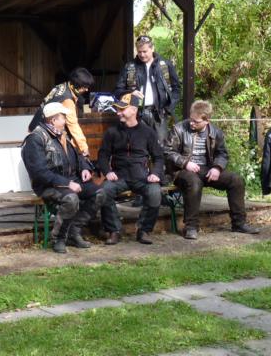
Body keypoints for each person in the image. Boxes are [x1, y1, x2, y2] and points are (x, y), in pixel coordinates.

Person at [22, 102, 121, 253]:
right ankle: (59, 238)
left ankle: (74, 231)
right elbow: (39, 172)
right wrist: (67, 183)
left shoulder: (62, 134)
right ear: (53, 120)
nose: (66, 120)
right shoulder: (35, 139)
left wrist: (85, 168)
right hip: (49, 185)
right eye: (63, 117)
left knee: (100, 193)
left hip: (71, 181)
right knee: (71, 198)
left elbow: (78, 156)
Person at [165, 100, 260, 240]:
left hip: (207, 170)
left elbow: (222, 154)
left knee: (236, 180)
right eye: (191, 119)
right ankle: (191, 227)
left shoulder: (216, 132)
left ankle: (239, 223)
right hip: (182, 171)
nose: (191, 123)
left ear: (207, 121)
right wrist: (185, 163)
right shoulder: (178, 129)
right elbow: (167, 152)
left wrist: (217, 167)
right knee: (194, 182)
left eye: (196, 121)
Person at [97, 93, 165, 244]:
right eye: (117, 109)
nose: (118, 113)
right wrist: (107, 172)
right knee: (104, 191)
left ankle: (144, 230)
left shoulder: (148, 132)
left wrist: (155, 173)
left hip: (142, 177)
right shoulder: (112, 132)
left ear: (134, 110)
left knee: (155, 193)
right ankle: (114, 231)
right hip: (119, 177)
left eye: (122, 109)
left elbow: (159, 157)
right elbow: (102, 156)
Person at [115, 35, 180, 145]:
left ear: (152, 48)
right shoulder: (130, 66)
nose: (142, 55)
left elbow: (176, 88)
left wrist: (169, 108)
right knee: (138, 146)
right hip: (137, 114)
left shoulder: (165, 65)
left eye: (145, 51)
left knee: (161, 146)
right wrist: (130, 93)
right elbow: (117, 90)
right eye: (139, 52)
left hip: (159, 113)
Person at [28, 67, 95, 156]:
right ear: (77, 85)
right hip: (43, 136)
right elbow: (73, 124)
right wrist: (84, 148)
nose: (87, 90)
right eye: (85, 87)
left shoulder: (63, 86)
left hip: (35, 127)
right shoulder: (67, 99)